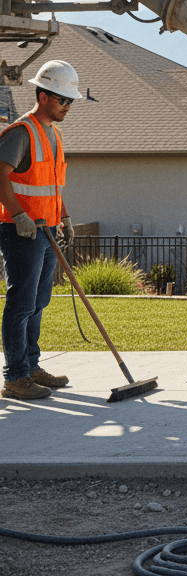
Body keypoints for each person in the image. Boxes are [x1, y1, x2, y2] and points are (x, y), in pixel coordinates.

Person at [0, 60, 81, 400]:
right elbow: (0, 176)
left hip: (47, 231)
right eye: (63, 100)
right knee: (21, 304)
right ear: (44, 96)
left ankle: (31, 367)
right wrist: (19, 215)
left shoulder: (53, 135)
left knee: (37, 303)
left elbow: (51, 187)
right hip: (21, 232)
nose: (68, 106)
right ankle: (15, 377)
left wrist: (64, 217)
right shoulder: (21, 132)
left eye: (71, 101)